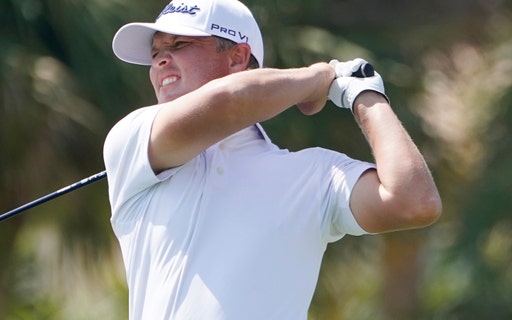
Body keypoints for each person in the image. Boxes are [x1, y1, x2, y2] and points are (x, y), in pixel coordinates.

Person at [103, 0, 442, 319]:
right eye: (156, 53)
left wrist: (366, 96)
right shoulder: (133, 139)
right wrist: (318, 78)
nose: (160, 61)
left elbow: (414, 201)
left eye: (179, 45)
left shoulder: (315, 174)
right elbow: (229, 101)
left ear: (237, 58)